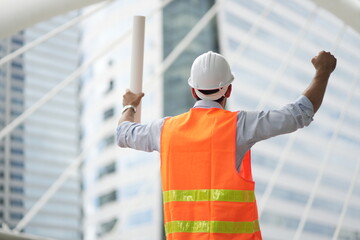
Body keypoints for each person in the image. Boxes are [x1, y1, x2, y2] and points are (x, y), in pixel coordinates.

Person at [116, 51, 336, 240]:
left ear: (193, 91)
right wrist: (323, 72)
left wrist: (130, 106)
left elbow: (123, 133)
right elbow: (299, 114)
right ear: (228, 90)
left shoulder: (165, 130)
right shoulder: (239, 126)